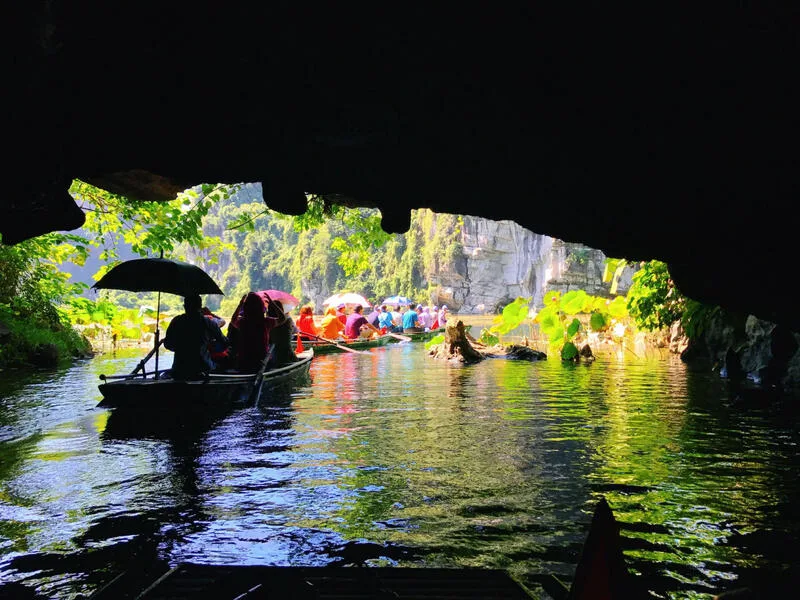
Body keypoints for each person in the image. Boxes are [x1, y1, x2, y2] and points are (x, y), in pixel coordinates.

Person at [163, 294, 228, 379]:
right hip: (203, 369)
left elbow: (167, 344)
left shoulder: (176, 321)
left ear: (185, 306)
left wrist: (182, 348)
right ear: (200, 306)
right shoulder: (208, 322)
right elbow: (224, 342)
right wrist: (210, 345)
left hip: (179, 368)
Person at [235, 291, 279, 372]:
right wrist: (272, 303)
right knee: (274, 354)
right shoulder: (266, 322)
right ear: (261, 306)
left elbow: (233, 320)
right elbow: (283, 318)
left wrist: (240, 304)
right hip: (261, 363)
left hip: (244, 362)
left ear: (245, 307)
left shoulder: (242, 322)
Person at [267, 298, 297, 365]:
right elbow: (294, 331)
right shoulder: (288, 320)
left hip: (273, 356)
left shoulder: (268, 322)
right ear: (281, 308)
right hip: (286, 356)